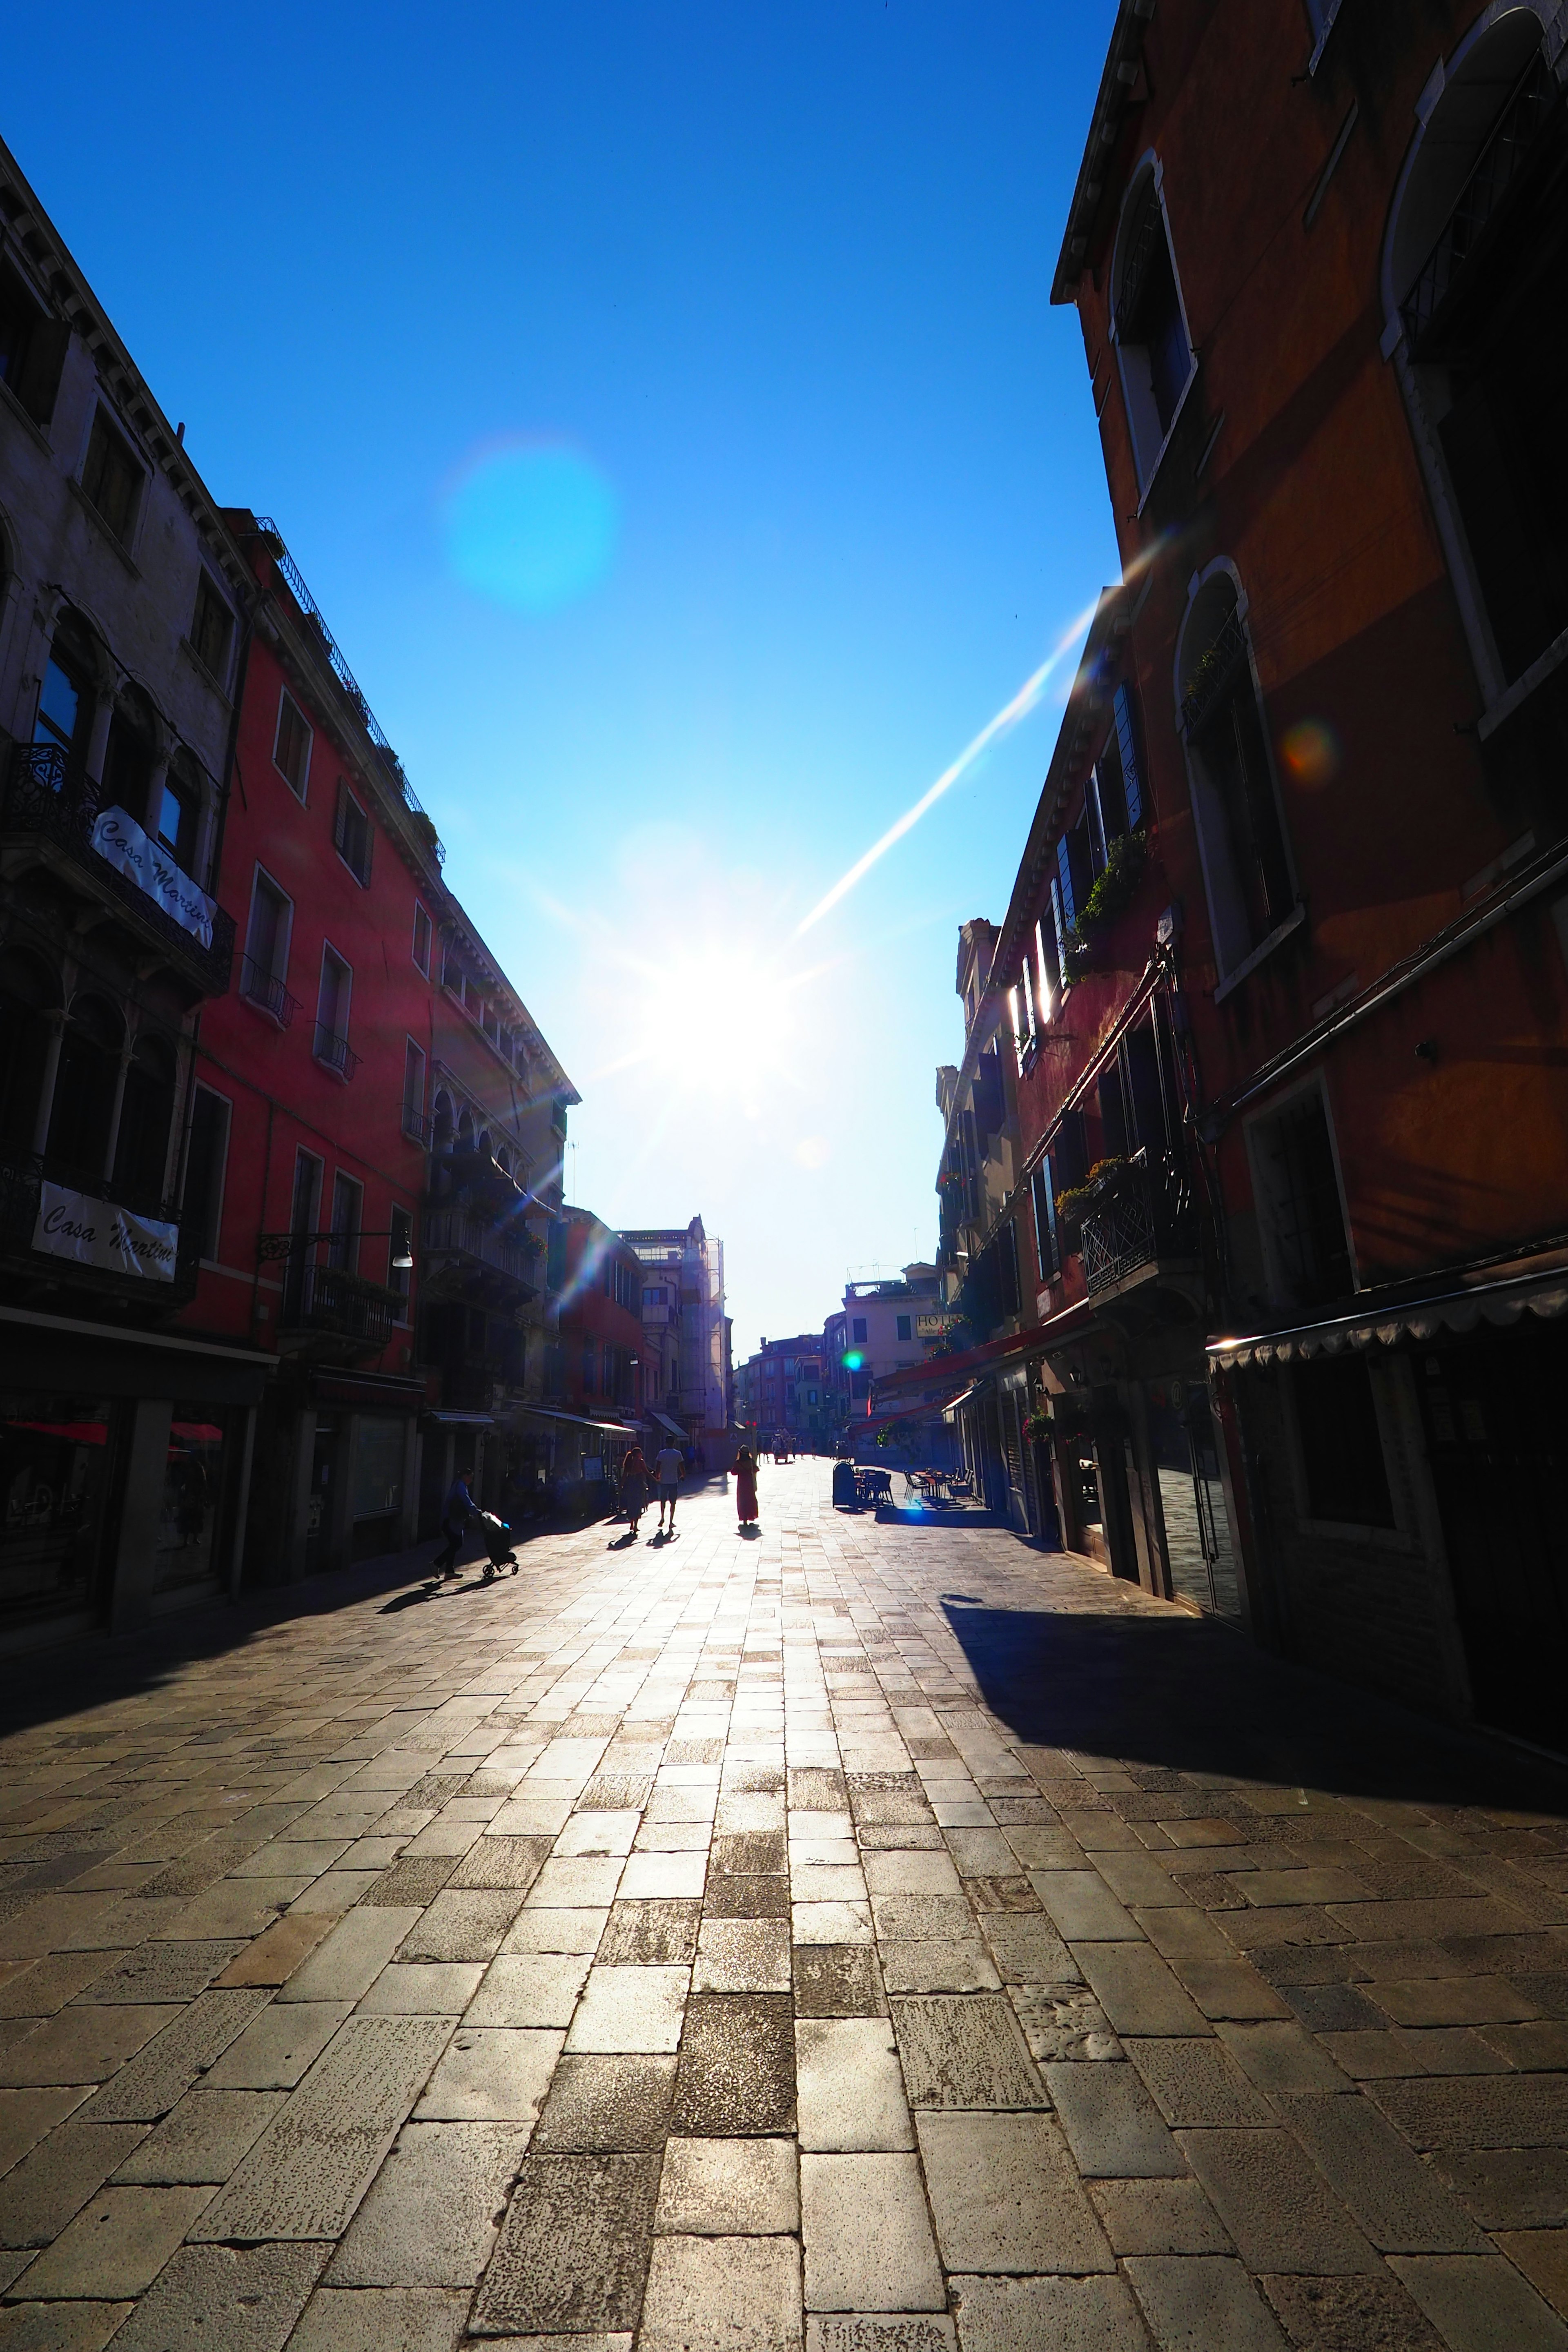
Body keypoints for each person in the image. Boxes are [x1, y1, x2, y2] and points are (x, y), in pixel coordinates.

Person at [433, 1468, 476, 1578]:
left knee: (455, 1544)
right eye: (470, 1477)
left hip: (455, 1520)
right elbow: (466, 1500)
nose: (471, 1480)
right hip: (450, 1520)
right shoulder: (460, 1486)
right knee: (456, 1543)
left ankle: (449, 1571)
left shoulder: (461, 1485)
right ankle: (436, 1564)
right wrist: (476, 1511)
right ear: (464, 1476)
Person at [619, 1445, 651, 1537]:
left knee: (631, 1504)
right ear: (639, 1454)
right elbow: (647, 1473)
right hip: (638, 1485)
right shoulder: (641, 1462)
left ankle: (632, 1524)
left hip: (630, 1485)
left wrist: (621, 1485)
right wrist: (656, 1480)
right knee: (638, 1505)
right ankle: (636, 1526)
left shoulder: (628, 1463)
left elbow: (625, 1475)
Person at [653, 1441, 684, 1534]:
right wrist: (683, 1475)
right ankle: (671, 1522)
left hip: (664, 1481)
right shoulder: (678, 1454)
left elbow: (658, 1466)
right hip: (673, 1480)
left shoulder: (662, 1453)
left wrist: (657, 1476)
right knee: (673, 1502)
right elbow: (681, 1466)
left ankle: (662, 1517)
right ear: (673, 1443)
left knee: (663, 1500)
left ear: (666, 1443)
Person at [732, 1445, 759, 1528]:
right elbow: (756, 1469)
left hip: (741, 1484)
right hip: (750, 1483)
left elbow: (733, 1472)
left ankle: (744, 1518)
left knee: (742, 1501)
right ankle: (751, 1515)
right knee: (751, 1500)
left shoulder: (738, 1463)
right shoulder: (751, 1462)